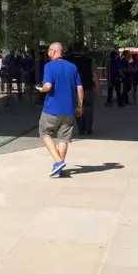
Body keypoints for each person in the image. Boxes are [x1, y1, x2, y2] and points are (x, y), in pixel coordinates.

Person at [36, 42, 83, 177]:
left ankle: (58, 161)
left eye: (49, 50)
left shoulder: (49, 66)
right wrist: (79, 106)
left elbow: (48, 86)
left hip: (52, 108)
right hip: (69, 109)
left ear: (54, 51)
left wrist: (41, 89)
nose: (48, 53)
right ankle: (59, 168)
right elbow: (79, 88)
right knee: (63, 138)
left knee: (44, 132)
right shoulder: (72, 67)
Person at [67, 44, 96, 134]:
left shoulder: (68, 60)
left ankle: (81, 129)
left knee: (78, 107)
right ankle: (89, 127)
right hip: (87, 86)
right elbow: (95, 74)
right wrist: (97, 87)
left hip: (74, 88)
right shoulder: (89, 60)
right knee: (89, 107)